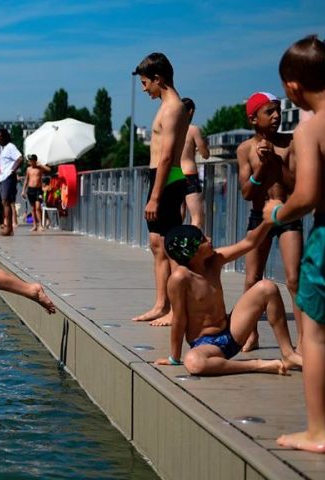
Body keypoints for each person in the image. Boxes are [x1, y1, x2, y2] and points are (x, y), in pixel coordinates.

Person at [265, 35, 325, 454]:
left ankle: (317, 433)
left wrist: (277, 213)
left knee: (316, 336)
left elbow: (308, 195)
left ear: (293, 87)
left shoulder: (310, 129)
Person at [154, 224, 302, 376]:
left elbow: (249, 243)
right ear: (191, 252)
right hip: (206, 345)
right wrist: (174, 357)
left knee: (267, 287)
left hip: (232, 331)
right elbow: (179, 320)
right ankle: (256, 365)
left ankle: (288, 353)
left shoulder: (214, 260)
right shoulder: (180, 279)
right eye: (202, 240)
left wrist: (269, 220)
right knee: (193, 362)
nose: (209, 239)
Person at [236, 91, 302, 352]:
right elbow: (246, 193)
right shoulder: (245, 150)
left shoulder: (291, 143)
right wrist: (262, 167)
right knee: (252, 278)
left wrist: (275, 159)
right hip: (259, 216)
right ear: (254, 118)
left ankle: (303, 339)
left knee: (294, 279)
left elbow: (297, 186)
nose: (276, 116)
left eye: (278, 111)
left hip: (287, 214)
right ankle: (251, 334)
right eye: (269, 112)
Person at [131, 52, 189, 325]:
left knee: (172, 245)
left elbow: (167, 156)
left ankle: (177, 309)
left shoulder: (173, 107)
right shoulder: (165, 105)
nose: (144, 89)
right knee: (157, 244)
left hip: (168, 176)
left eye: (145, 83)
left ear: (159, 78)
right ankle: (161, 304)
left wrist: (155, 197)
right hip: (161, 175)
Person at [180, 98, 210, 229]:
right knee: (197, 219)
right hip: (189, 175)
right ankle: (192, 248)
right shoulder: (192, 129)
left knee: (178, 216)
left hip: (174, 175)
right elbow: (205, 154)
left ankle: (174, 247)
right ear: (191, 111)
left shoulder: (172, 130)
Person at [0, 128, 23, 236]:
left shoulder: (10, 147)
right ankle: (9, 228)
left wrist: (12, 170)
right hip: (3, 177)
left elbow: (20, 158)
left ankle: (9, 228)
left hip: (8, 177)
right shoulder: (3, 148)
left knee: (6, 202)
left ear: (4, 137)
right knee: (5, 202)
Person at [21, 154, 51, 232]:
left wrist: (41, 164)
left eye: (31, 161)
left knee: (38, 207)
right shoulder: (28, 169)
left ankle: (40, 225)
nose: (30, 162)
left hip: (38, 189)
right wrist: (23, 190)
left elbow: (49, 170)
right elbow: (26, 180)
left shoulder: (40, 168)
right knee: (33, 208)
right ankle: (34, 225)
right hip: (30, 190)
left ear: (35, 161)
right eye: (30, 161)